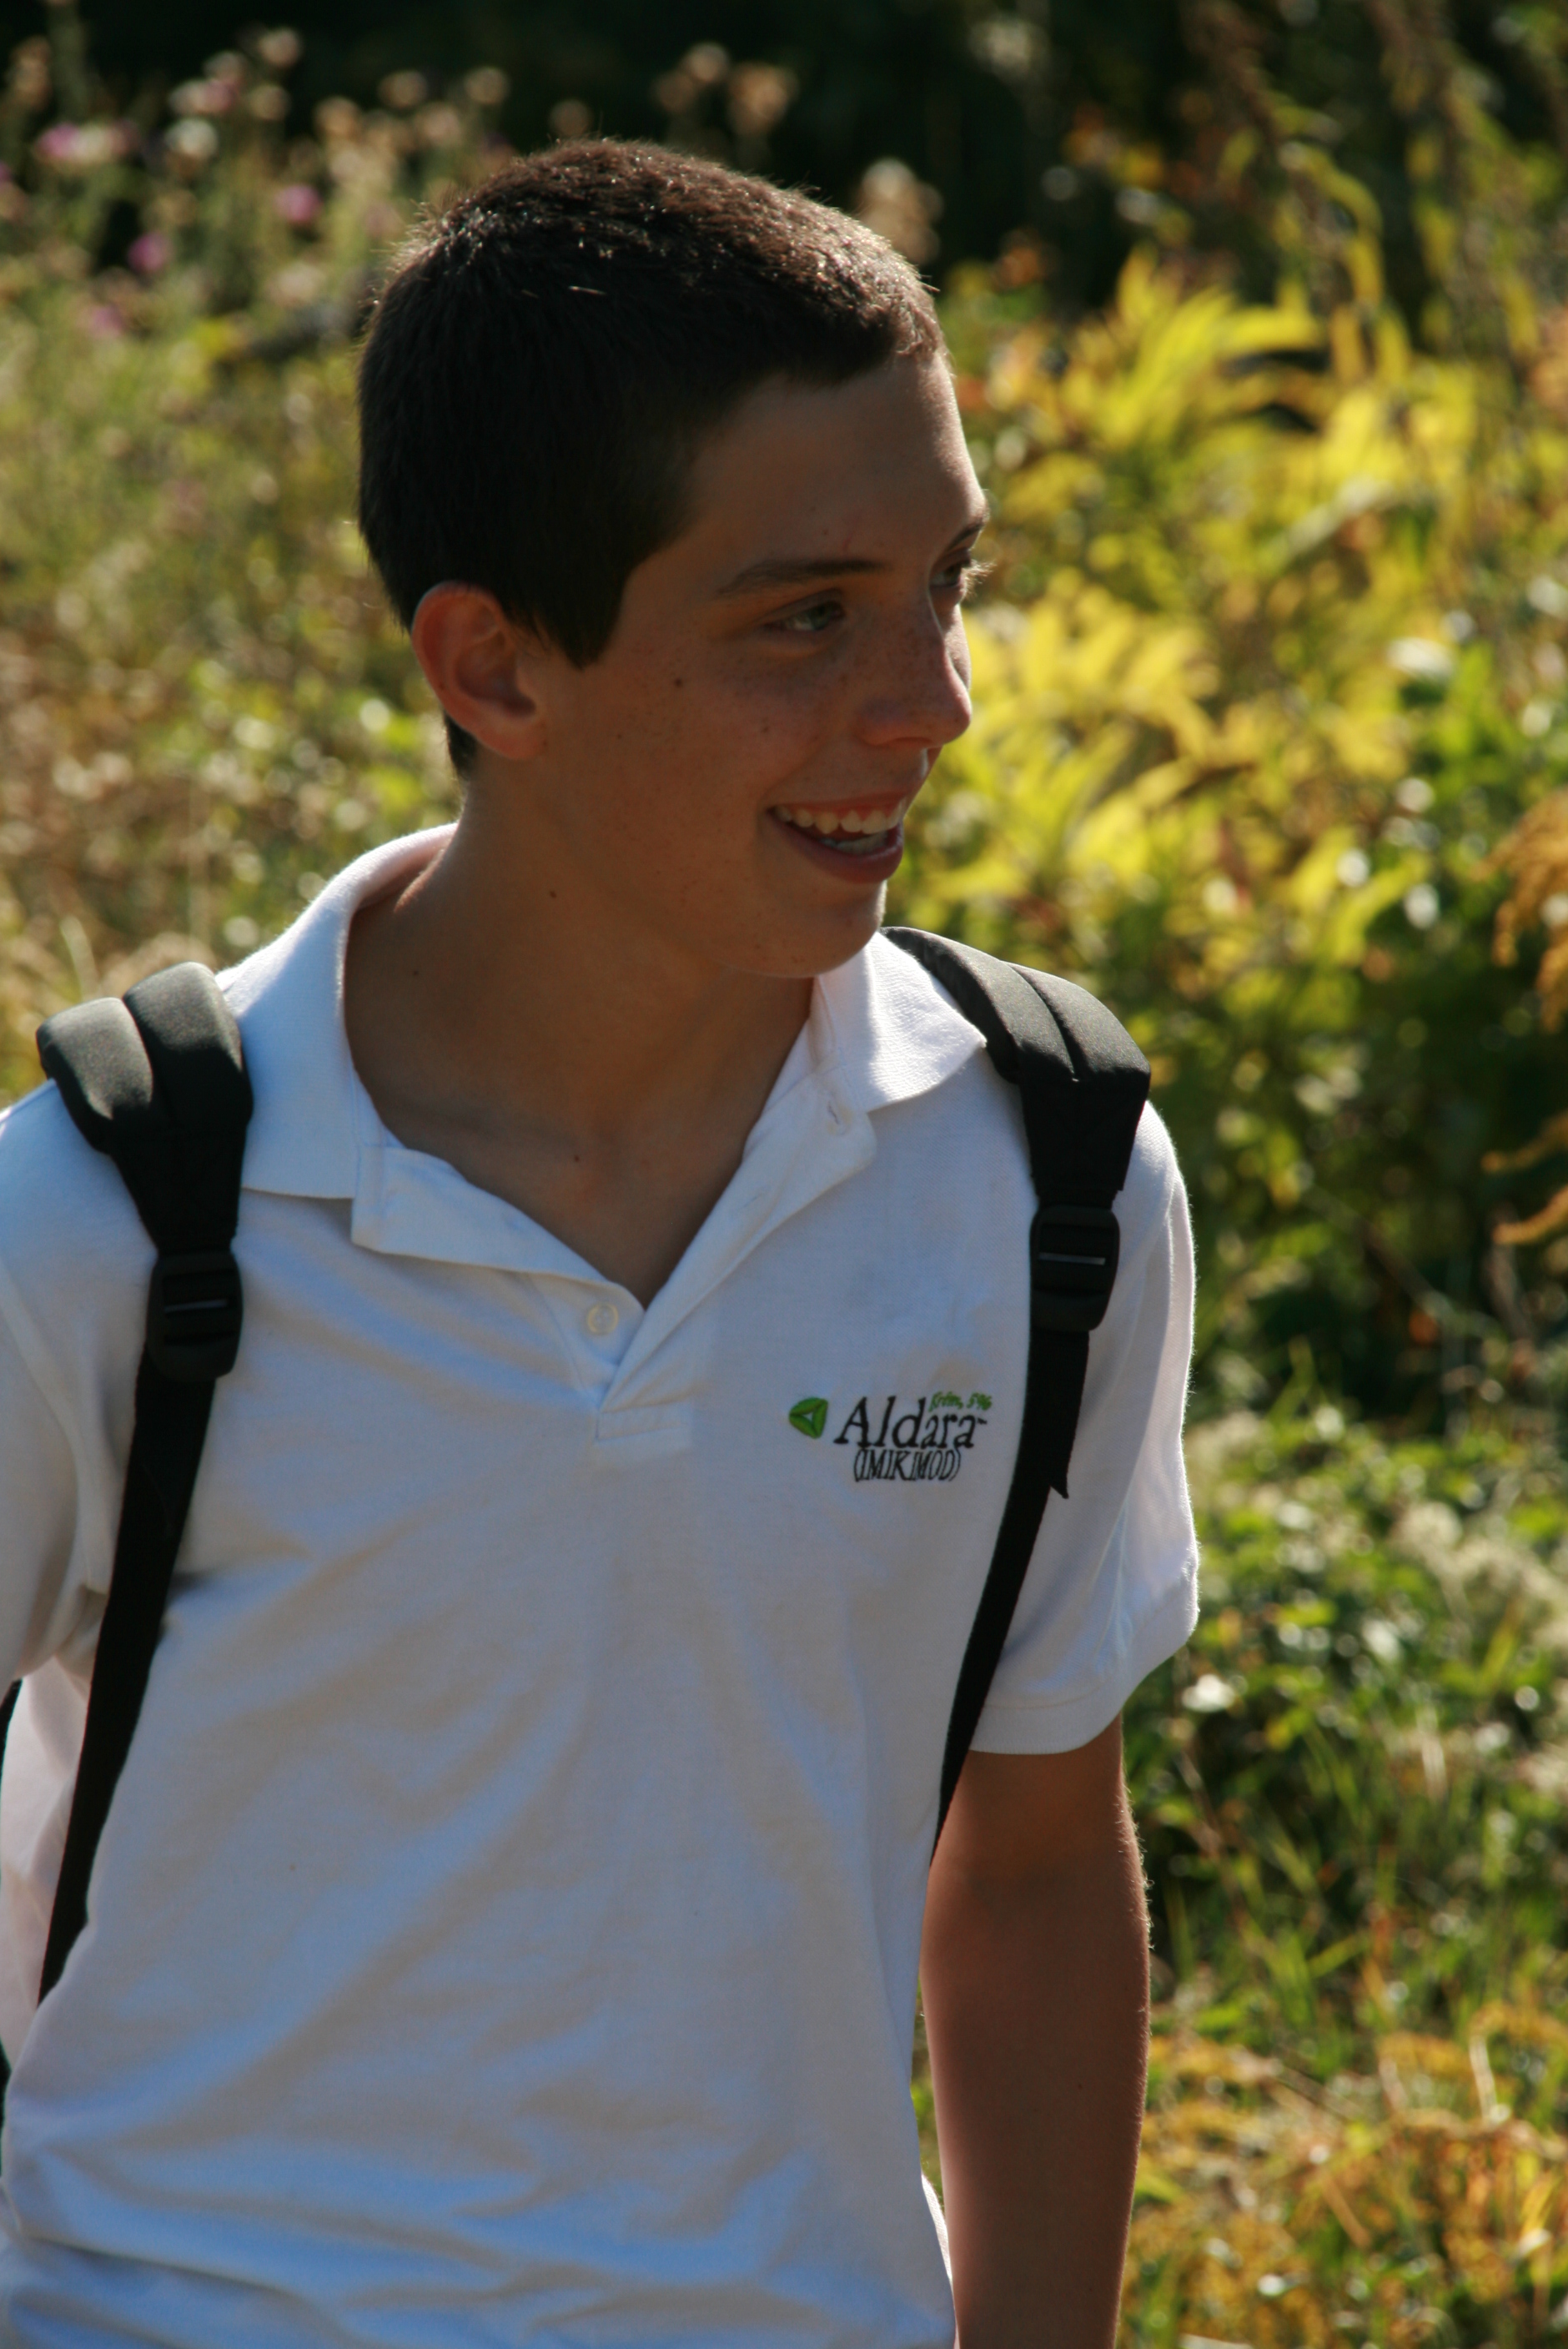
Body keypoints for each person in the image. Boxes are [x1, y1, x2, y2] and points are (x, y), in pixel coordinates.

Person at [0, 142, 1198, 2347]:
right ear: (494, 665)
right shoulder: (105, 1219)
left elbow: (1034, 1875)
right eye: (806, 617)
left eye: (948, 582)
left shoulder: (1051, 1189)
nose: (933, 702)